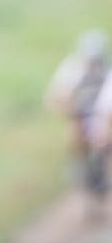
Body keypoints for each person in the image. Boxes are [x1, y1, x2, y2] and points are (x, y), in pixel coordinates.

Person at [45, 29, 111, 197]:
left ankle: (101, 172)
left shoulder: (107, 71)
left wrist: (103, 127)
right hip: (77, 112)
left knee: (104, 138)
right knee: (75, 137)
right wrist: (72, 115)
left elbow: (106, 104)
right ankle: (79, 170)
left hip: (100, 112)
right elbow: (56, 95)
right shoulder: (71, 69)